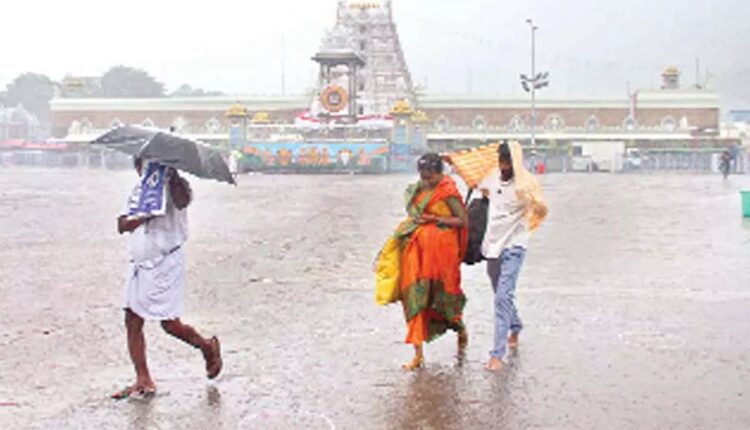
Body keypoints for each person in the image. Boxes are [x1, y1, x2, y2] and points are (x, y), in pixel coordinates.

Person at [112, 157, 222, 399]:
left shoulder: (178, 187)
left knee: (169, 323)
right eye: (143, 165)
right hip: (139, 261)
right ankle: (143, 378)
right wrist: (143, 216)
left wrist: (171, 177)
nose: (147, 169)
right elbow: (122, 224)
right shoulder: (138, 191)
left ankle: (207, 346)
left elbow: (183, 201)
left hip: (166, 261)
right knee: (132, 319)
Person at [382, 153, 469, 370]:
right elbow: (412, 215)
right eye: (423, 176)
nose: (427, 181)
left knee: (442, 298)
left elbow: (462, 221)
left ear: (440, 174)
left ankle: (459, 328)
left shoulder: (448, 192)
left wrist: (436, 219)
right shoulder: (417, 190)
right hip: (416, 254)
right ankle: (418, 354)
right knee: (414, 299)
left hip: (442, 259)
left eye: (431, 177)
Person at [479, 141, 547, 371]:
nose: (504, 167)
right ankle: (515, 324)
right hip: (492, 246)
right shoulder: (492, 176)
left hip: (514, 246)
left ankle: (497, 355)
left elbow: (540, 207)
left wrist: (533, 206)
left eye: (507, 162)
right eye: (501, 162)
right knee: (500, 294)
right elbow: (479, 184)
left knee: (501, 297)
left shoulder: (526, 184)